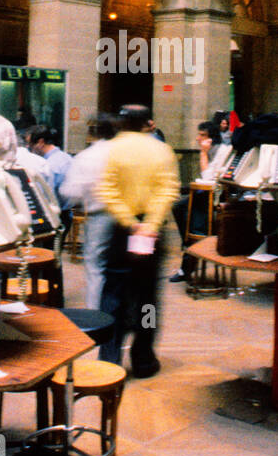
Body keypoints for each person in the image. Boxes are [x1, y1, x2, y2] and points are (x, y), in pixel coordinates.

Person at [95, 105, 180, 377]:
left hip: (122, 232)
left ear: (122, 123)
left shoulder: (113, 148)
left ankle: (110, 360)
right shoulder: (161, 150)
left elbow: (106, 188)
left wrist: (131, 223)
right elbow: (168, 189)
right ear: (148, 124)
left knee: (113, 296)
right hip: (151, 236)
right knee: (147, 299)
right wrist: (150, 225)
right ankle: (143, 360)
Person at [61, 114, 117, 309]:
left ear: (92, 132)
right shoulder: (125, 153)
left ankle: (97, 317)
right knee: (121, 269)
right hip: (129, 218)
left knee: (95, 269)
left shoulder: (87, 156)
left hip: (99, 216)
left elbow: (70, 191)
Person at [169, 121, 223, 282]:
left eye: (202, 135)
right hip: (205, 193)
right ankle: (186, 242)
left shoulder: (219, 152)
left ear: (212, 139)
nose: (198, 139)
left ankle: (188, 260)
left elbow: (208, 178)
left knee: (195, 223)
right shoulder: (212, 150)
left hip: (216, 197)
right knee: (178, 207)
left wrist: (203, 154)